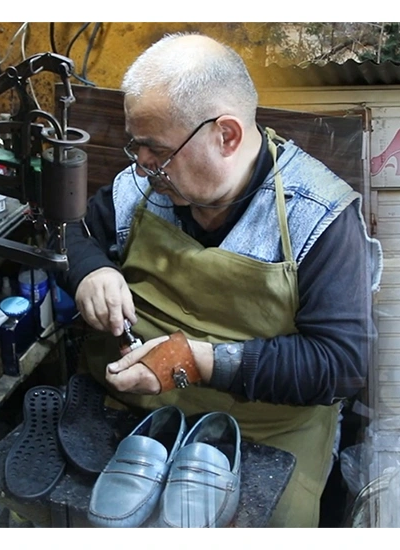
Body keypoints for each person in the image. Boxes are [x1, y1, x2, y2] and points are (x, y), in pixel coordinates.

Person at [55, 32, 382, 527]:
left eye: (155, 149)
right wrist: (89, 269)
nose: (141, 164)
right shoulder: (143, 187)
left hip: (266, 435)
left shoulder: (319, 217)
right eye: (135, 145)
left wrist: (194, 360)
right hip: (135, 416)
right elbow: (68, 232)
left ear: (226, 136)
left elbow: (340, 364)